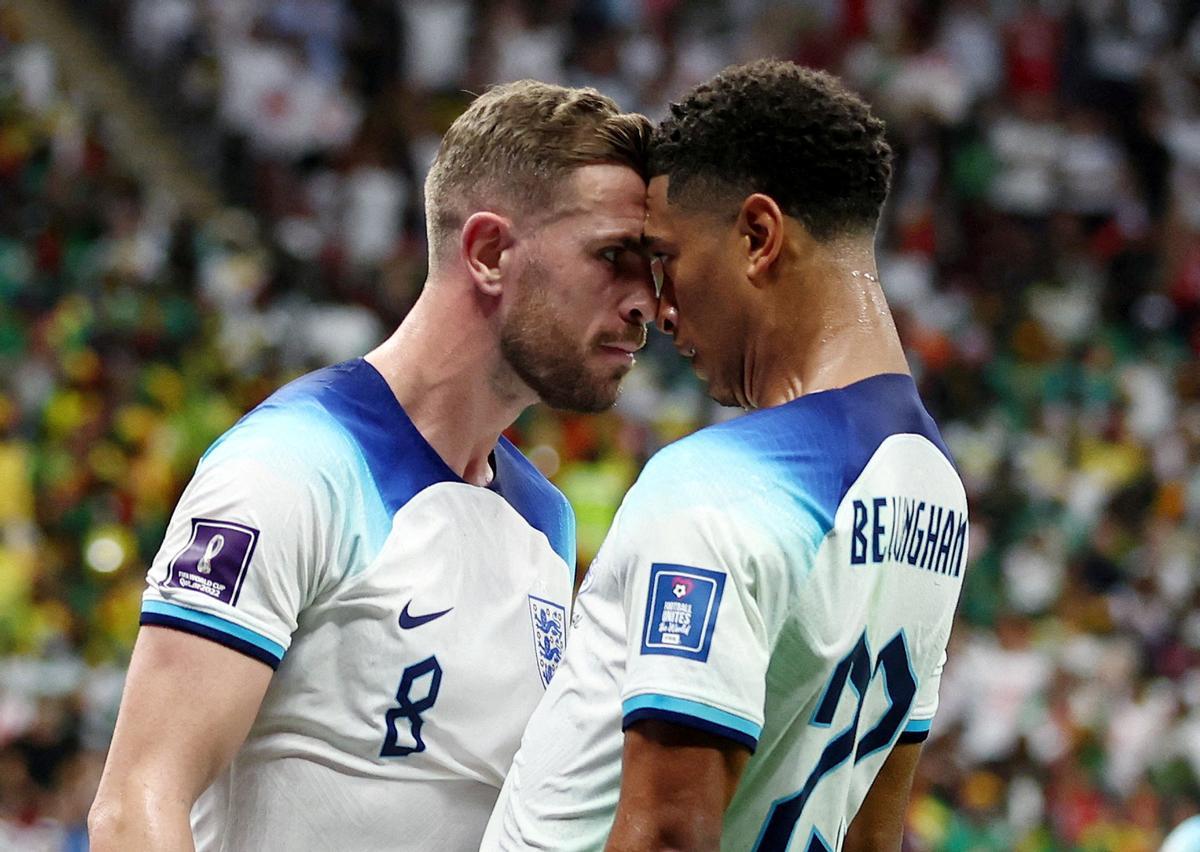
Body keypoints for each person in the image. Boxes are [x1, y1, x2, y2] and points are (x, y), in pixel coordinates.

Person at [87, 80, 657, 851]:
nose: (644, 302)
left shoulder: (543, 518)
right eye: (614, 257)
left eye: (651, 266)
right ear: (490, 253)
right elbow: (134, 805)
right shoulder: (292, 468)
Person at [483, 60, 968, 851]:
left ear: (758, 236)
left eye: (667, 259)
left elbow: (671, 831)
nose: (659, 308)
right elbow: (872, 833)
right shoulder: (935, 489)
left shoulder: (716, 488)